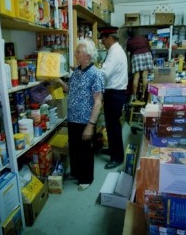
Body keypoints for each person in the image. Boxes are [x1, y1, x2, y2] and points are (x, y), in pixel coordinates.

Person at [57, 38, 104, 191]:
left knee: (85, 151)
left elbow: (98, 102)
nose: (75, 54)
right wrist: (57, 80)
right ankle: (76, 173)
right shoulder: (77, 71)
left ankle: (86, 179)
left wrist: (90, 125)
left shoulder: (96, 74)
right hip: (72, 118)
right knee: (75, 149)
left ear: (88, 55)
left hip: (85, 120)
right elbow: (69, 89)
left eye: (78, 52)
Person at [99, 26, 128, 169]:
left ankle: (117, 158)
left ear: (110, 38)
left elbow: (104, 73)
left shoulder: (114, 52)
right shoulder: (115, 50)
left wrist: (90, 72)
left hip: (115, 93)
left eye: (103, 40)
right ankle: (112, 149)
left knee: (114, 127)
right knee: (110, 126)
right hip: (115, 92)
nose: (102, 43)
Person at [127, 28, 153, 102]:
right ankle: (143, 95)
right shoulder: (144, 38)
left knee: (136, 77)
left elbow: (129, 51)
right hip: (147, 54)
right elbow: (149, 47)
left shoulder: (129, 41)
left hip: (136, 56)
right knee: (145, 77)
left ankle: (134, 96)